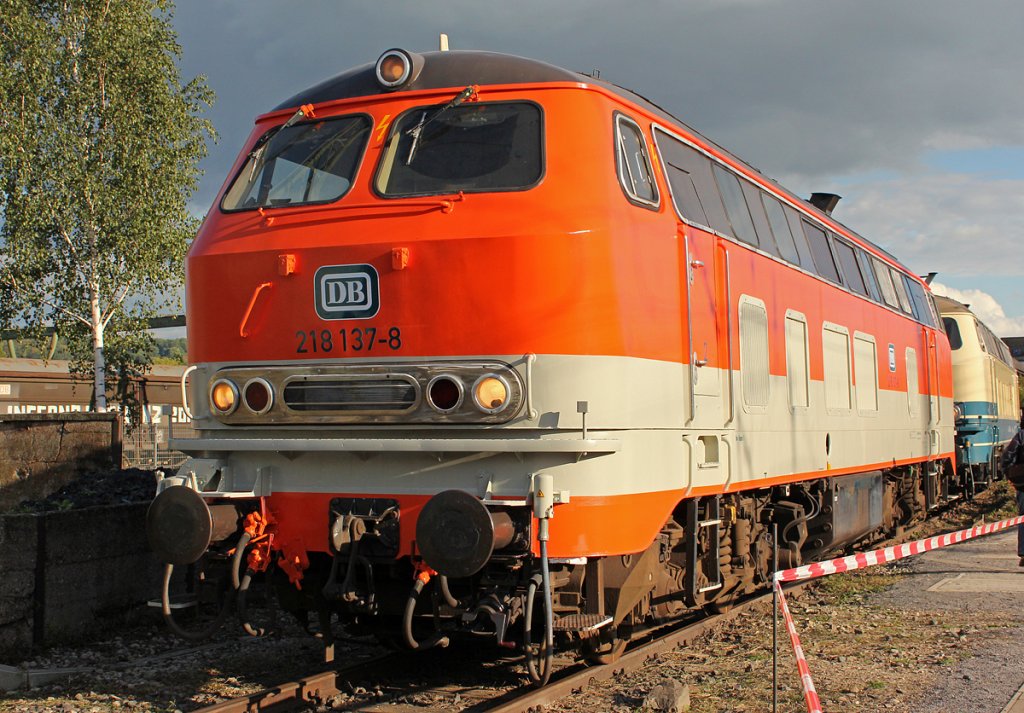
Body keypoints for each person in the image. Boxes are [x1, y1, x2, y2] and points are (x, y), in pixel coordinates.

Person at [1001, 424, 1024, 566]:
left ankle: (1023, 551)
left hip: (1023, 486)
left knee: (1023, 518)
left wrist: (1010, 473)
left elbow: (1007, 456)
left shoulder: (1021, 436)